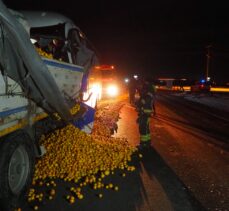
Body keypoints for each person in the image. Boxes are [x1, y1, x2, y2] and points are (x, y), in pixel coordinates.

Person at [135, 79, 154, 149]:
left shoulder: (148, 95)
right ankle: (148, 142)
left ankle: (143, 144)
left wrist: (139, 104)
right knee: (146, 128)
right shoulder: (146, 94)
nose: (139, 89)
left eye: (140, 87)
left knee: (142, 129)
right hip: (144, 113)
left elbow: (144, 102)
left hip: (145, 114)